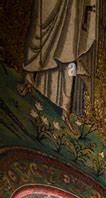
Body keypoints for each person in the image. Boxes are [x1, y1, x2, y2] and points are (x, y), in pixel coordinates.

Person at [17, 0, 98, 131]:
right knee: (39, 32)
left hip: (73, 7)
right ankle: (29, 79)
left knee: (69, 53)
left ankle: (65, 108)